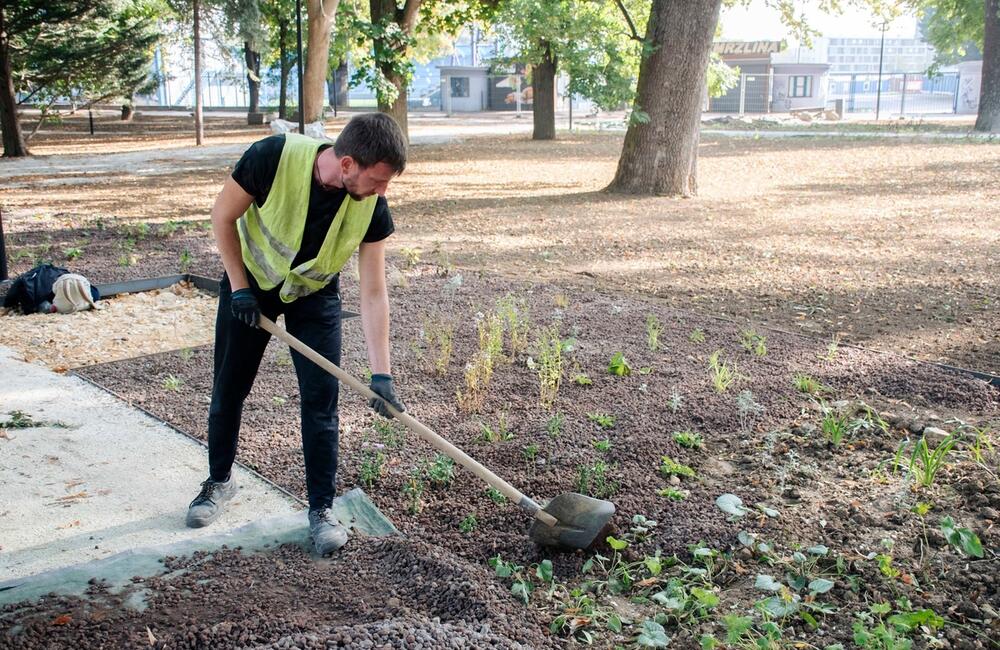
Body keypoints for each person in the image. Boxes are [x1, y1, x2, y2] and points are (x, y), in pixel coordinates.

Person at [186, 113, 407, 555]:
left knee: (321, 402)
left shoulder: (372, 207)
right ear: (346, 164)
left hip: (313, 292)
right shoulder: (272, 156)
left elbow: (373, 292)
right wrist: (239, 288)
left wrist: (381, 373)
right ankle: (219, 482)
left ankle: (321, 510)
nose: (383, 192)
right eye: (378, 180)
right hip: (249, 284)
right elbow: (223, 216)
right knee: (229, 390)